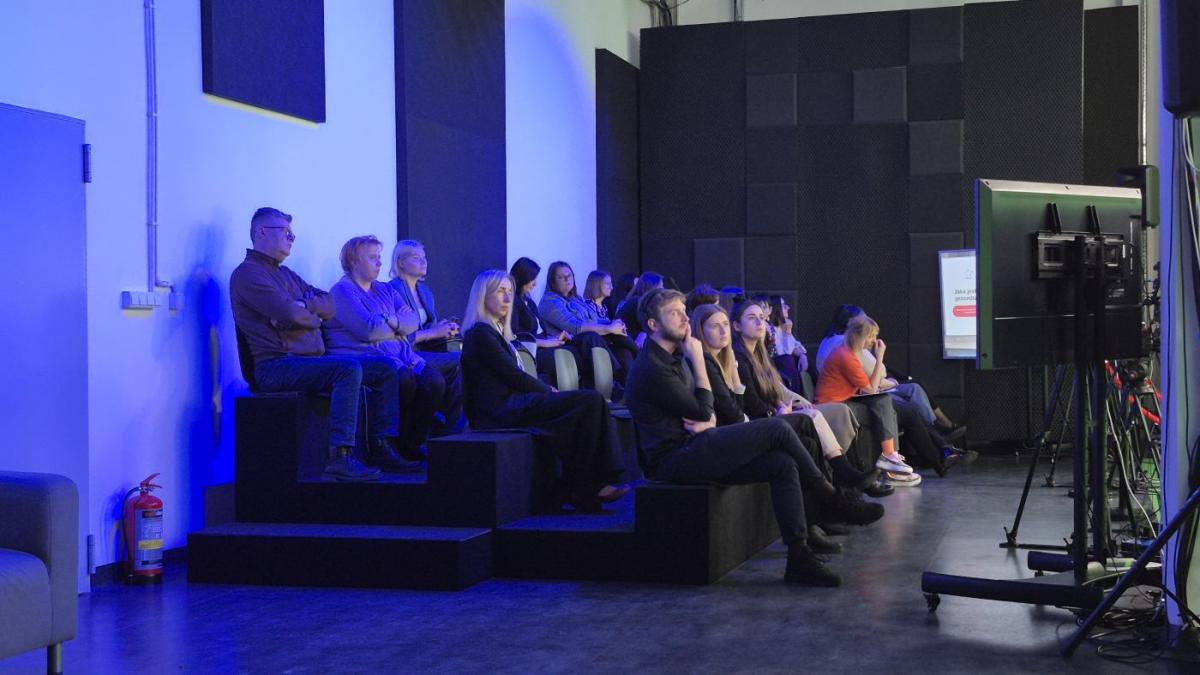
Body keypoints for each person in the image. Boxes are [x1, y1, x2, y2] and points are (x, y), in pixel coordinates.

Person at [624, 288, 884, 588]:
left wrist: (707, 416)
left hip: (696, 444)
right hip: (674, 458)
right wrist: (698, 362)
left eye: (684, 311)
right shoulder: (653, 367)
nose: (684, 318)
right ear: (653, 324)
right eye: (674, 313)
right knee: (778, 428)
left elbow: (707, 413)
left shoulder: (672, 357)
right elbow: (705, 409)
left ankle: (799, 557)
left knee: (782, 462)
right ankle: (832, 498)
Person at [230, 207, 400, 482]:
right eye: (285, 232)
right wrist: (304, 313)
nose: (291, 238)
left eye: (292, 234)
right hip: (276, 366)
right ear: (261, 233)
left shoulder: (286, 274)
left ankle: (380, 446)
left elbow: (328, 305)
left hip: (308, 361)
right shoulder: (248, 274)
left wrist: (303, 308)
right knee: (347, 370)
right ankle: (340, 457)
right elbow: (291, 313)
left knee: (385, 368)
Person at [460, 270, 629, 512]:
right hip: (500, 410)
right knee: (589, 400)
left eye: (510, 291)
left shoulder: (494, 332)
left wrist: (545, 391)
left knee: (590, 402)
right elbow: (513, 375)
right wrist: (547, 390)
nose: (507, 298)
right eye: (500, 292)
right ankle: (590, 484)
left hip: (514, 403)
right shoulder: (480, 333)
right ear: (482, 296)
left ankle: (586, 485)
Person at [692, 304, 879, 494]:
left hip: (768, 414)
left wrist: (789, 404)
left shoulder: (759, 354)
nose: (760, 323)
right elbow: (747, 405)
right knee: (816, 418)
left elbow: (776, 390)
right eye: (752, 318)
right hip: (755, 422)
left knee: (830, 418)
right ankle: (841, 480)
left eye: (762, 318)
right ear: (737, 326)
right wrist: (776, 411)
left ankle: (845, 481)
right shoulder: (736, 357)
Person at [324, 235, 446, 465]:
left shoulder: (384, 290)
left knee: (434, 382)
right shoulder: (342, 291)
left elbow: (412, 321)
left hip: (400, 355)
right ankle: (388, 446)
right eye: (373, 258)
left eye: (379, 257)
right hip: (363, 357)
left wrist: (390, 320)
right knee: (404, 380)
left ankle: (412, 444)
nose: (379, 262)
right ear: (354, 262)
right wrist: (396, 326)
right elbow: (368, 331)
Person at [817, 314, 959, 485]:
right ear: (859, 336)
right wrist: (880, 357)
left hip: (846, 400)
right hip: (835, 407)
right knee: (884, 402)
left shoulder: (851, 353)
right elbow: (871, 388)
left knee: (903, 410)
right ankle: (891, 460)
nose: (874, 340)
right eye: (871, 336)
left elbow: (868, 386)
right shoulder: (845, 356)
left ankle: (925, 461)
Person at [816, 304, 965, 439]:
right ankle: (938, 435)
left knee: (914, 387)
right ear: (852, 324)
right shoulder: (845, 345)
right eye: (865, 324)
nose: (873, 339)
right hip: (848, 399)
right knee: (911, 401)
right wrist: (881, 359)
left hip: (858, 392)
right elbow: (875, 379)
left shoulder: (831, 341)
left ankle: (939, 434)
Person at [387, 240, 464, 433]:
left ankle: (450, 427)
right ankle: (450, 429)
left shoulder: (424, 291)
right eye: (416, 257)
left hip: (426, 350)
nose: (424, 261)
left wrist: (443, 328)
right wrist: (432, 332)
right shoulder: (391, 291)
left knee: (462, 357)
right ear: (400, 262)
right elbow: (396, 336)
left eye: (424, 257)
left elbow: (428, 327)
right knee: (461, 360)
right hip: (406, 354)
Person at [538, 261, 638, 383]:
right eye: (561, 277)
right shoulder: (549, 301)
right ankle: (637, 360)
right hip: (567, 341)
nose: (567, 279)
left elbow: (594, 319)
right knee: (593, 335)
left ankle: (630, 387)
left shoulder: (576, 298)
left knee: (623, 352)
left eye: (569, 275)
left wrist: (612, 323)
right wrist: (608, 328)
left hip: (583, 339)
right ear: (552, 281)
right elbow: (574, 327)